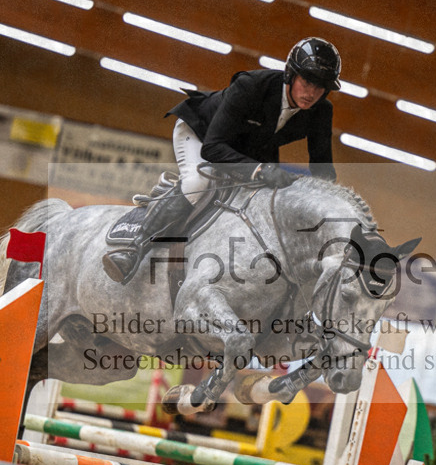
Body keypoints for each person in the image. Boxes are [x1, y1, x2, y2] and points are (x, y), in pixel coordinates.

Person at [103, 37, 342, 285]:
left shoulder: (321, 111)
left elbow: (323, 169)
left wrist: (327, 204)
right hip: (201, 134)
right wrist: (260, 170)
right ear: (291, 74)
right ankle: (133, 248)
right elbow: (213, 149)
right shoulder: (252, 86)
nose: (312, 92)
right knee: (197, 183)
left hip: (248, 148)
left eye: (321, 87)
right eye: (307, 81)